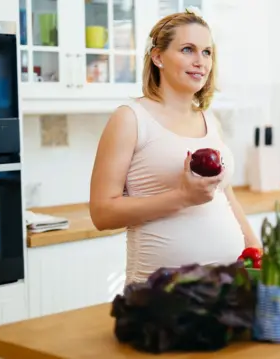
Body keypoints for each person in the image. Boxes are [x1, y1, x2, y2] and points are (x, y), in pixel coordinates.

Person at [89, 7, 261, 286]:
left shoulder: (209, 118)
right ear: (158, 57)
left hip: (226, 287)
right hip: (160, 294)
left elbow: (225, 195)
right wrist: (182, 196)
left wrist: (257, 252)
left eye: (207, 52)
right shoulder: (130, 118)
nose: (200, 61)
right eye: (188, 50)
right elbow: (101, 213)